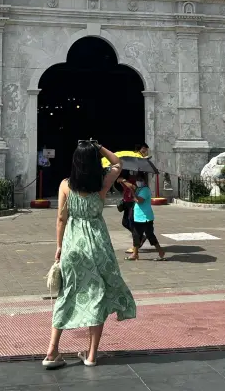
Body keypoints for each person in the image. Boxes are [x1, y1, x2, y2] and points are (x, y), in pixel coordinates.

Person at [43, 141, 136, 369]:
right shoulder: (101, 183)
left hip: (73, 245)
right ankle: (92, 355)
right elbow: (118, 163)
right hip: (98, 245)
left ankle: (52, 351)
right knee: (98, 295)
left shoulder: (65, 185)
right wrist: (99, 147)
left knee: (67, 294)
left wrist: (59, 246)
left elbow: (61, 219)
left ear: (75, 161)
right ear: (95, 162)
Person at [126, 176, 166, 261]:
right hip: (139, 217)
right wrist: (123, 181)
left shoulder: (145, 190)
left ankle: (159, 251)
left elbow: (139, 200)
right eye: (137, 180)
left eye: (140, 180)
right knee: (138, 235)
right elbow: (131, 187)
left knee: (146, 235)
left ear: (144, 181)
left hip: (145, 217)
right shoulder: (139, 189)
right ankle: (136, 254)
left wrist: (133, 192)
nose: (138, 182)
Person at [117, 171, 145, 254]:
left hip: (132, 204)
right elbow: (125, 188)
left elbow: (132, 187)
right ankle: (140, 237)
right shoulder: (124, 180)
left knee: (132, 224)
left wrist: (124, 181)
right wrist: (121, 182)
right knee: (125, 222)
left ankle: (136, 244)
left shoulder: (132, 180)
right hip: (126, 202)